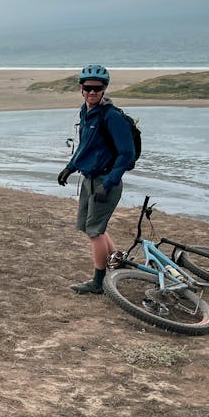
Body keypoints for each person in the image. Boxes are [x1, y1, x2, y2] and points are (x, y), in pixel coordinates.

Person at [57, 64, 135, 294]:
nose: (92, 92)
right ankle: (116, 262)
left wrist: (108, 182)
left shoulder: (112, 117)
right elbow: (86, 145)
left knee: (95, 231)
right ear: (81, 88)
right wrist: (70, 168)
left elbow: (126, 153)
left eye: (97, 88)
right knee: (89, 227)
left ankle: (98, 282)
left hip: (105, 181)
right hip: (89, 178)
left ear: (104, 88)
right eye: (88, 88)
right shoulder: (86, 111)